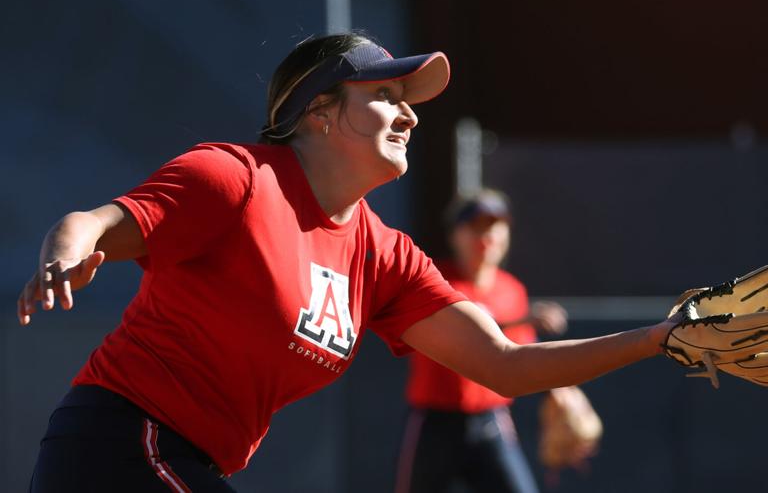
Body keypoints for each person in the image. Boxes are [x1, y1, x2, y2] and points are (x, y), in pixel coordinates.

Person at [16, 32, 677, 492]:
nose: (410, 115)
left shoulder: (383, 254)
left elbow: (501, 365)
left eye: (408, 99)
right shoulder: (237, 178)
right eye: (387, 94)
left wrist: (659, 339)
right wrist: (66, 253)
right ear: (321, 112)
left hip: (190, 462)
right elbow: (94, 222)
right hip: (122, 447)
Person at [395, 189, 571, 493]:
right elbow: (465, 330)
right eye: (476, 225)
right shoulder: (435, 278)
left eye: (495, 225)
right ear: (455, 235)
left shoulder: (512, 290)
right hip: (436, 421)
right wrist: (522, 320)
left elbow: (523, 354)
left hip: (490, 421)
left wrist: (563, 393)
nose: (486, 234)